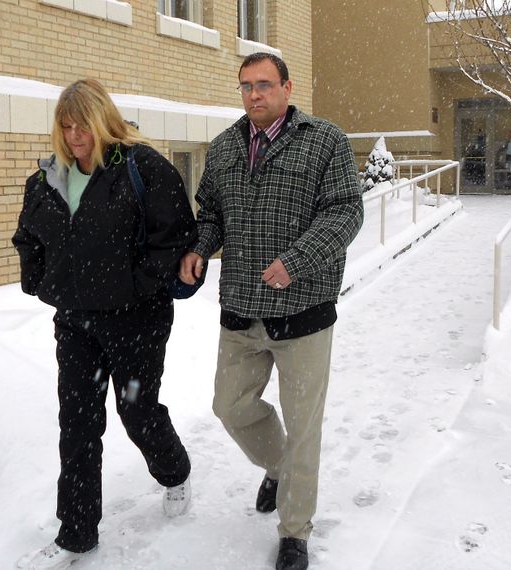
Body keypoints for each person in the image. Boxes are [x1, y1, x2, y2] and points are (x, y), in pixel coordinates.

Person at [179, 53, 364, 570]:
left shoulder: (324, 141)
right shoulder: (223, 149)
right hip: (241, 309)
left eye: (263, 85)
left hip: (302, 313)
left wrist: (297, 261)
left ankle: (294, 531)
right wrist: (200, 247)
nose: (253, 95)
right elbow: (210, 212)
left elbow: (346, 211)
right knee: (230, 407)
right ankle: (281, 468)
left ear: (286, 87)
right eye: (245, 86)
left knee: (305, 426)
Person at [12, 78, 195, 570]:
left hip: (135, 323)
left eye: (82, 126)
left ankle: (175, 471)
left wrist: (135, 286)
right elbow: (27, 235)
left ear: (102, 121)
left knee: (136, 412)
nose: (74, 137)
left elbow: (174, 235)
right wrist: (38, 280)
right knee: (77, 424)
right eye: (65, 127)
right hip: (75, 323)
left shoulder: (142, 169)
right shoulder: (48, 178)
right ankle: (76, 533)